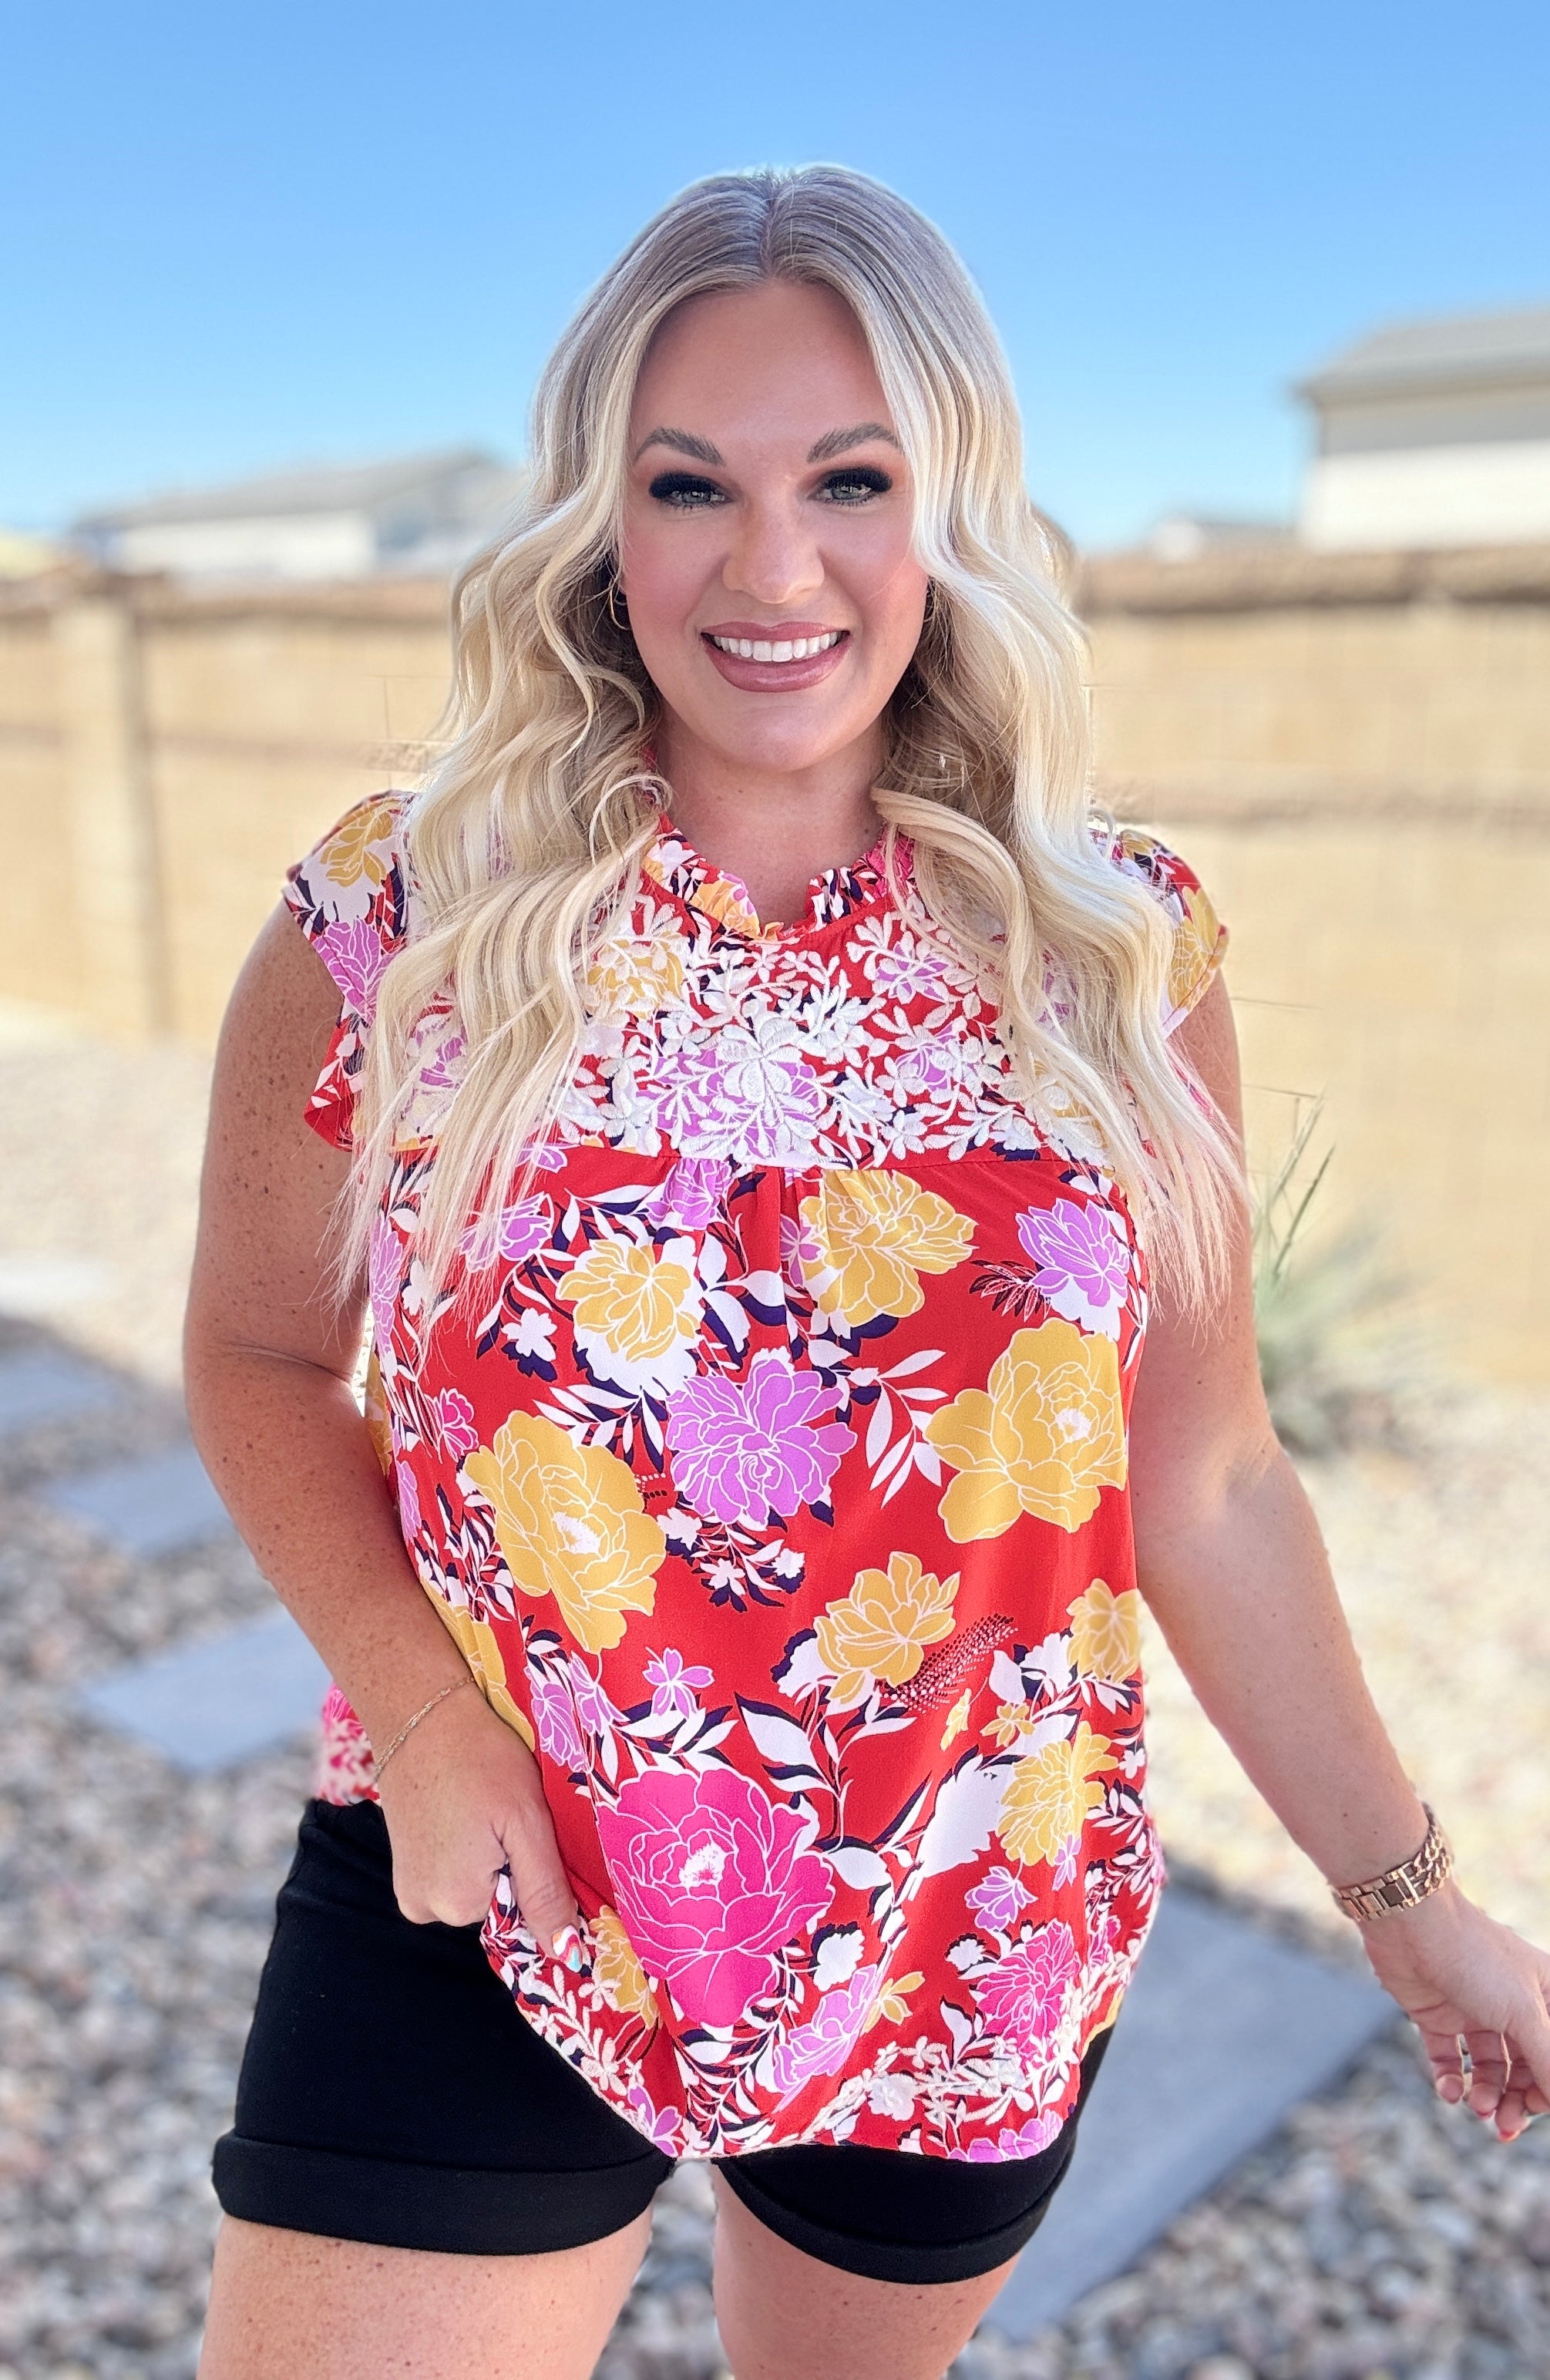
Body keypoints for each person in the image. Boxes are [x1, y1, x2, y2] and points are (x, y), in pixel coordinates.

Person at [185, 166, 1550, 2380]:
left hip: (968, 1919)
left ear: (954, 505)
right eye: (688, 485)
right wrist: (424, 1726)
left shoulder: (1114, 951)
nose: (772, 567)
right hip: (485, 1873)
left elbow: (1204, 1479)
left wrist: (1413, 1910)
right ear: (599, 521)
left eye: (850, 479)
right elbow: (259, 1359)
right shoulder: (400, 920)